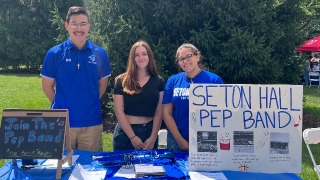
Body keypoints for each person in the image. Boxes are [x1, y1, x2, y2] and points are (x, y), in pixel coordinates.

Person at [40, 6, 111, 151]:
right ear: (67, 25)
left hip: (92, 123)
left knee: (91, 170)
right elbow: (47, 86)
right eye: (74, 23)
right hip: (63, 123)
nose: (79, 28)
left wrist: (89, 102)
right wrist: (59, 104)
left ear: (89, 26)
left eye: (83, 23)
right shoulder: (54, 53)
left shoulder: (100, 54)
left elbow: (102, 84)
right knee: (63, 169)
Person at [162, 43, 223, 152]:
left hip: (206, 138)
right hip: (176, 139)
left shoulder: (214, 80)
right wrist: (179, 140)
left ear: (197, 57)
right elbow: (166, 113)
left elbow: (220, 113)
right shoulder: (173, 81)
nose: (185, 61)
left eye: (189, 56)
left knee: (204, 170)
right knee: (175, 169)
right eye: (181, 59)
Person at [112, 40, 165, 150]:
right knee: (123, 167)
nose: (141, 58)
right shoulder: (121, 81)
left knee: (149, 167)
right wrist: (132, 137)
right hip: (125, 134)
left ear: (149, 56)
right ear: (132, 58)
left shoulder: (159, 81)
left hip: (149, 134)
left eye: (144, 54)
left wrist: (153, 137)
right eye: (137, 55)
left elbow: (159, 111)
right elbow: (118, 111)